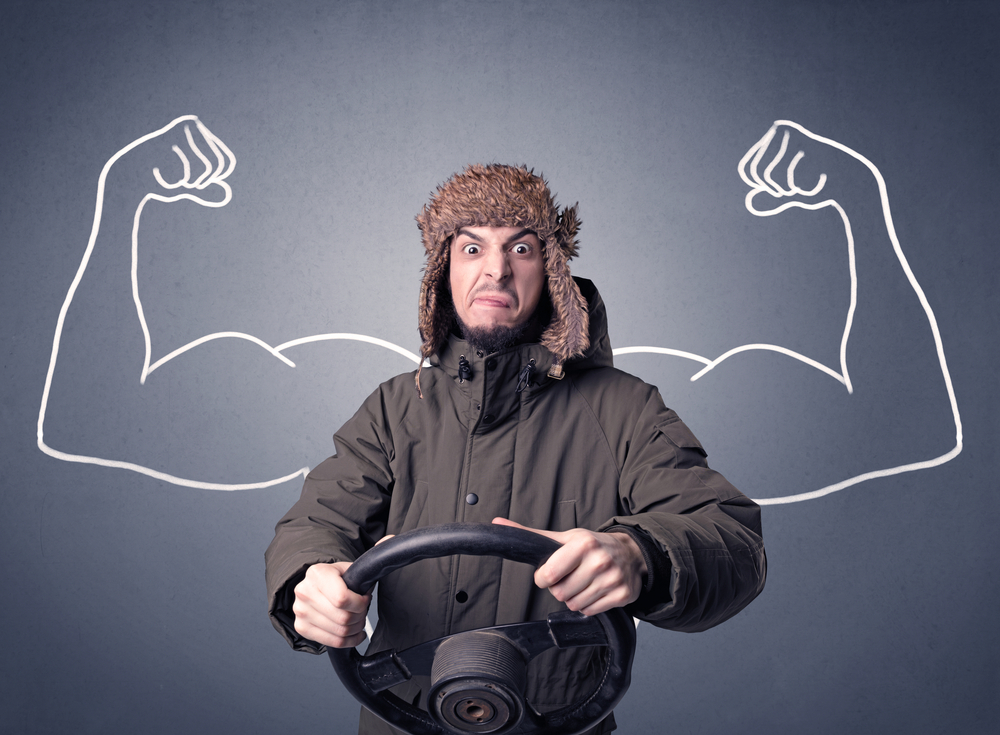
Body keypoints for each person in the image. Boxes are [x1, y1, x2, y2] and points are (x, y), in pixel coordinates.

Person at [265, 163, 767, 735]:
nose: (496, 270)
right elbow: (316, 520)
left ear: (551, 270)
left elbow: (733, 539)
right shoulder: (392, 409)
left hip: (559, 723)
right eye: (472, 248)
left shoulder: (626, 409)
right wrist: (310, 579)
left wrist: (640, 554)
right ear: (443, 273)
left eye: (521, 248)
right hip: (399, 720)